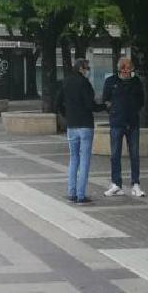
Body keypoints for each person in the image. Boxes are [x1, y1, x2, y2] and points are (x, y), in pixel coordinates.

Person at [55, 59, 106, 203]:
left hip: (72, 125)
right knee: (84, 160)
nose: (88, 71)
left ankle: (71, 193)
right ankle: (81, 195)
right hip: (85, 125)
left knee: (73, 159)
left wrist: (67, 115)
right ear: (81, 69)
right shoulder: (85, 83)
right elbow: (90, 105)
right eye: (87, 68)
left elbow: (58, 102)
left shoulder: (66, 82)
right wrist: (104, 107)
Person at [103, 57, 146, 197]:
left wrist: (133, 110)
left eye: (129, 68)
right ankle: (116, 184)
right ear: (120, 69)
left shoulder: (136, 82)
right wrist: (114, 111)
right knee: (115, 154)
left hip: (132, 123)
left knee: (134, 154)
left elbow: (141, 100)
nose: (127, 71)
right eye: (125, 68)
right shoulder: (111, 81)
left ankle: (136, 184)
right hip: (117, 122)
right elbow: (105, 100)